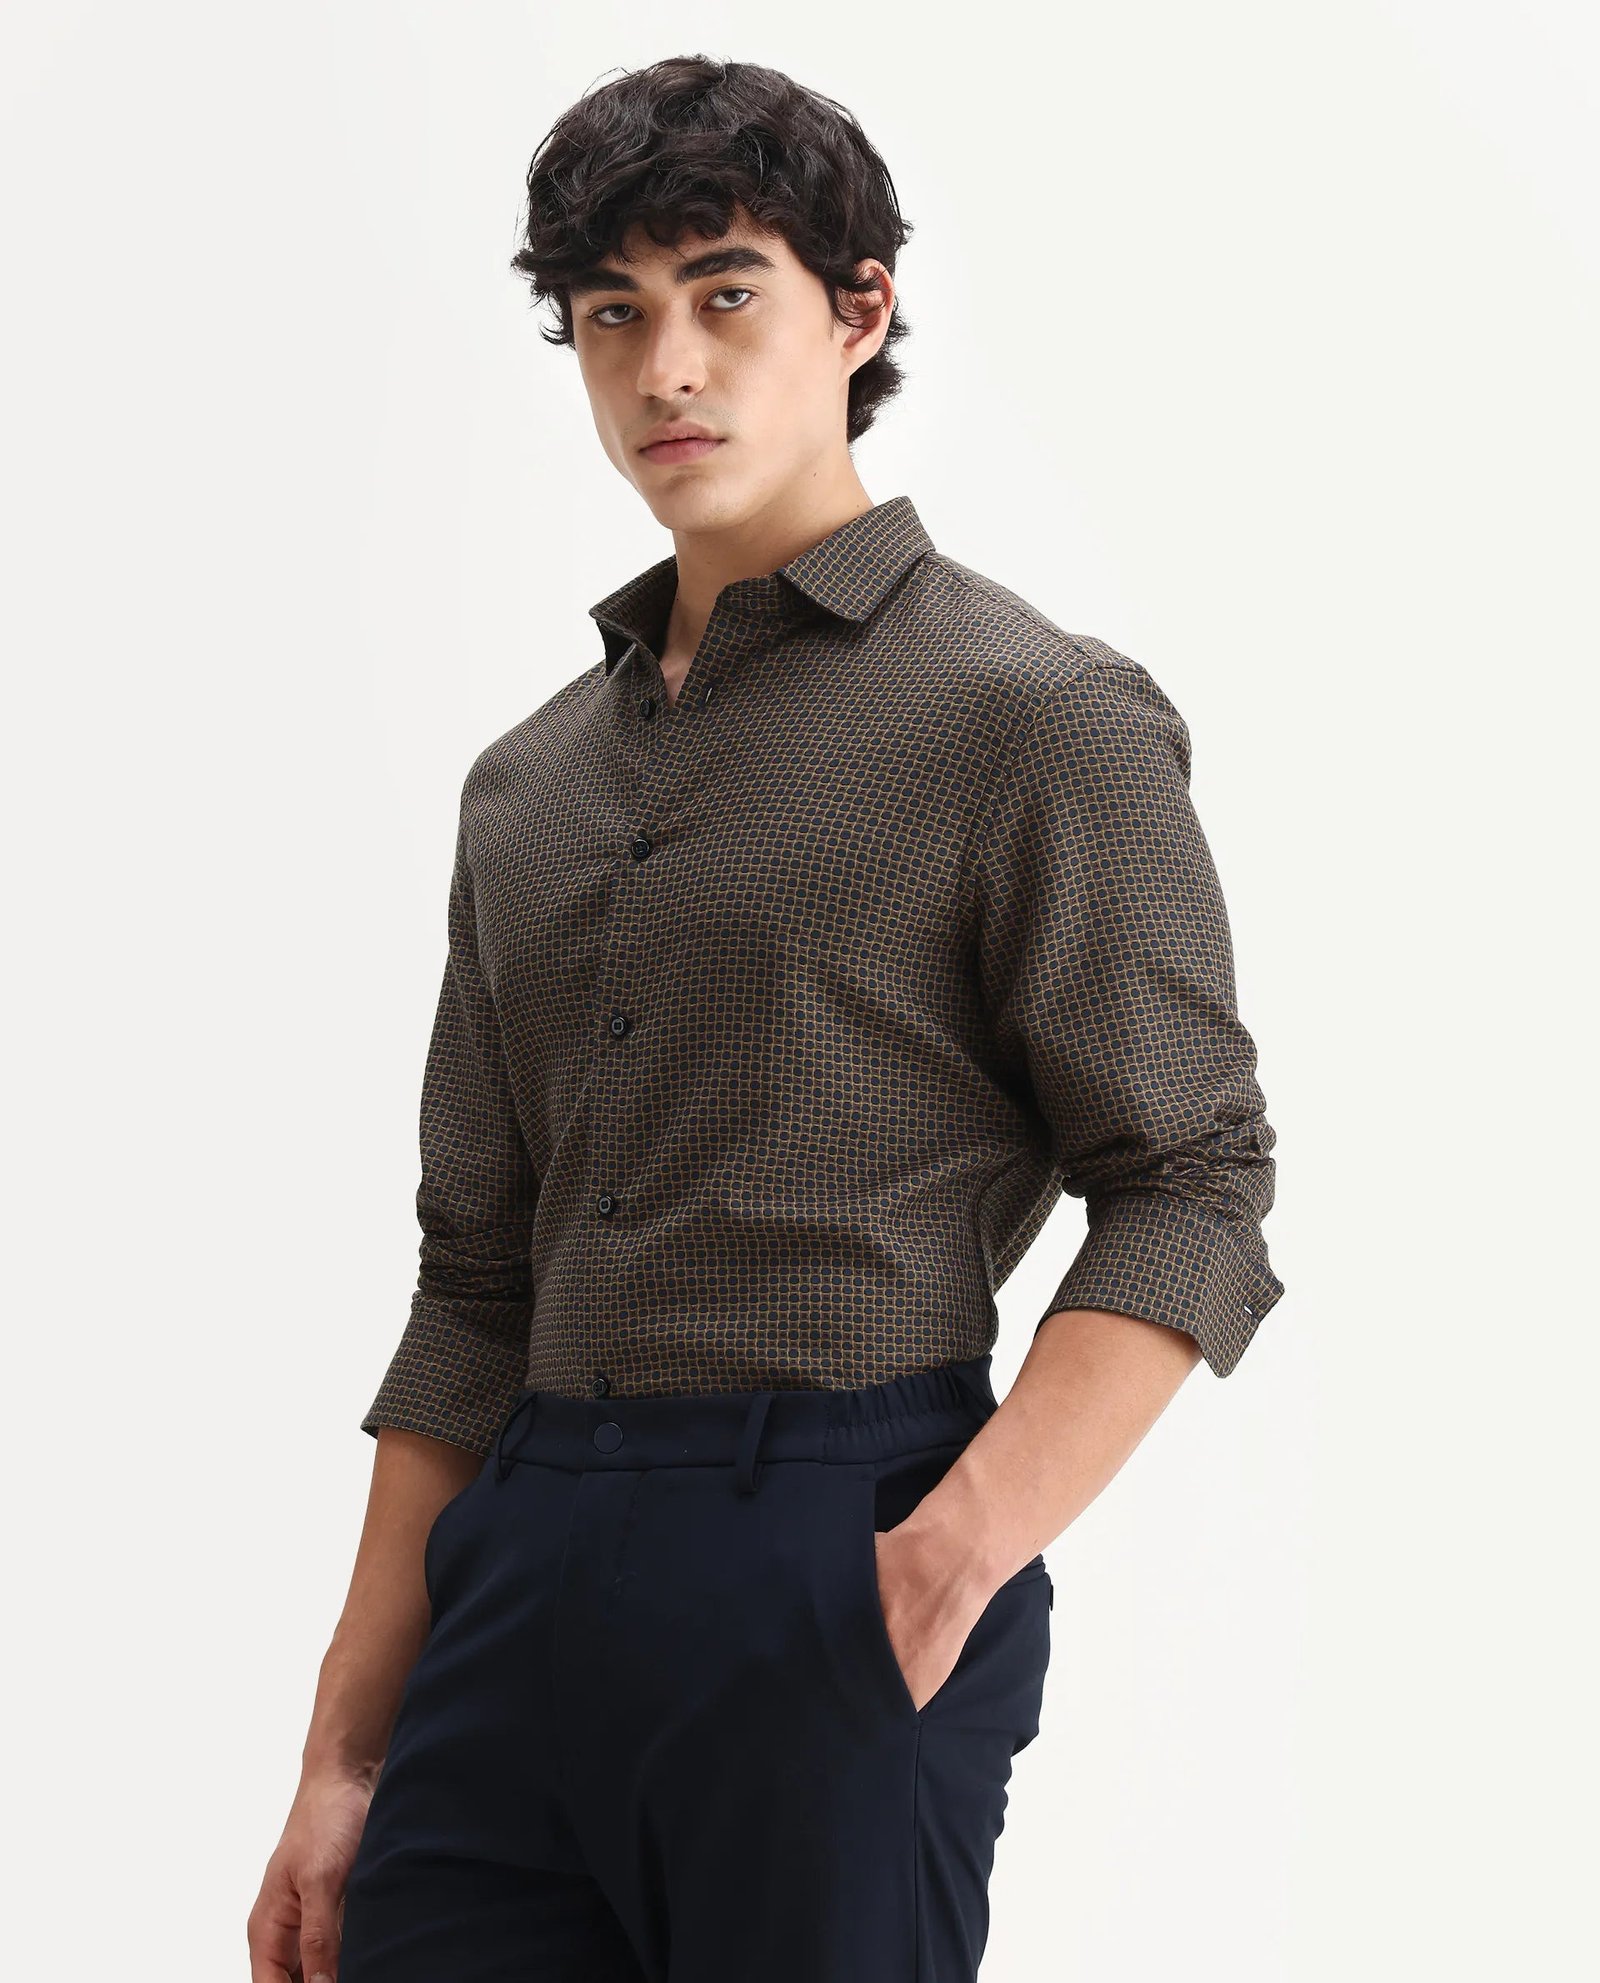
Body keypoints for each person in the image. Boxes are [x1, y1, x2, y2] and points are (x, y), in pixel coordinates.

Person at [248, 53, 1284, 1983]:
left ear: (860, 308)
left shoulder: (1032, 714)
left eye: (727, 296)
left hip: (834, 1542)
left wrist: (947, 1564)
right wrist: (345, 1752)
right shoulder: (525, 783)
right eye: (611, 315)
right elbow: (473, 1284)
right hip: (517, 1571)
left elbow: (1193, 1183)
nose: (666, 370)